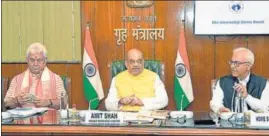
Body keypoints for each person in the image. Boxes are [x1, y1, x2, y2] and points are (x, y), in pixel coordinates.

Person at [4, 42, 67, 110]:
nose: (35, 63)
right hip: (22, 119)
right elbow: (6, 104)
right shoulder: (17, 79)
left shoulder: (56, 79)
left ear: (45, 61)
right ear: (27, 60)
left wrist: (49, 102)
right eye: (32, 60)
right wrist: (16, 101)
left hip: (48, 118)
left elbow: (64, 103)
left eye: (39, 60)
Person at [210, 47, 269, 114]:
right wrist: (220, 109)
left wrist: (247, 96)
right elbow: (215, 102)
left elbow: (265, 107)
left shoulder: (263, 83)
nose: (232, 66)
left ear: (248, 66)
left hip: (254, 123)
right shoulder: (223, 82)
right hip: (229, 122)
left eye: (237, 63)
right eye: (231, 62)